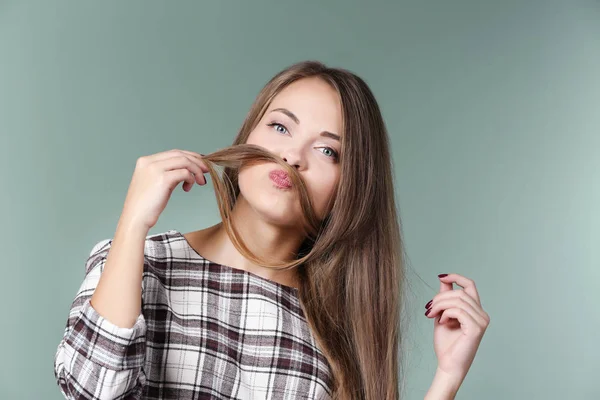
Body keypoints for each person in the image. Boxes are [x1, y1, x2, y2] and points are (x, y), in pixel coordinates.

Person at [54, 60, 490, 400]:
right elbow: (91, 390)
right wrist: (133, 223)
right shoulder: (142, 262)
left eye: (328, 150)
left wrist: (447, 379)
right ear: (249, 135)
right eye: (280, 127)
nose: (293, 156)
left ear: (350, 189)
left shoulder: (339, 326)